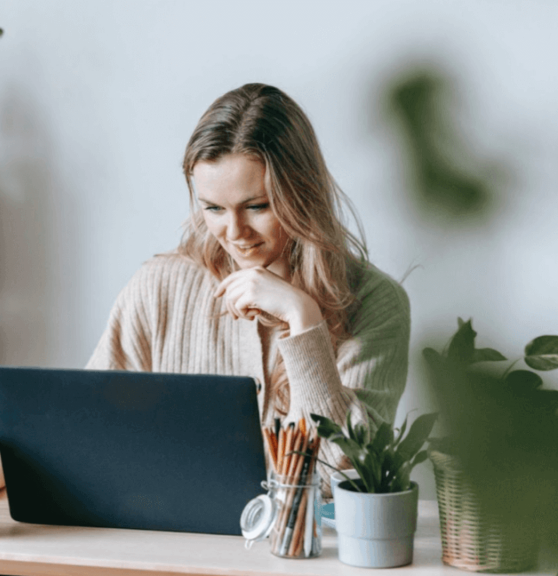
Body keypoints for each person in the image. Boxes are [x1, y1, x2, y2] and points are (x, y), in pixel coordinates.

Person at [86, 83, 410, 491]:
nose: (235, 232)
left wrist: (304, 320)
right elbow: (90, 430)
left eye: (257, 206)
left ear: (302, 193)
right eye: (213, 208)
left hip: (307, 535)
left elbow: (344, 479)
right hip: (167, 528)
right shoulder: (159, 287)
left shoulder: (377, 302)